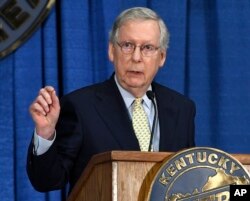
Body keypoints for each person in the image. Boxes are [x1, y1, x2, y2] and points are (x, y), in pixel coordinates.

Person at [27, 7, 196, 194]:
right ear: (111, 51)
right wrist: (45, 133)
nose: (136, 57)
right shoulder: (81, 107)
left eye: (147, 48)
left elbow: (187, 178)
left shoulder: (182, 109)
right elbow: (47, 181)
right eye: (127, 45)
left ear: (162, 57)